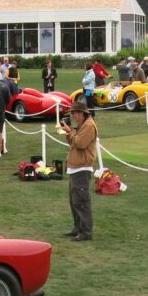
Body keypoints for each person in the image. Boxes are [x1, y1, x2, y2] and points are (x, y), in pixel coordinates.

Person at [60, 102, 98, 242]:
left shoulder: (88, 126)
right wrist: (70, 133)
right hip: (76, 167)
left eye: (75, 113)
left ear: (82, 113)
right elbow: (74, 142)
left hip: (82, 167)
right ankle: (78, 228)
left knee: (81, 201)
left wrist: (70, 132)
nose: (73, 115)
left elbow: (81, 144)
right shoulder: (83, 124)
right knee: (74, 200)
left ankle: (86, 232)